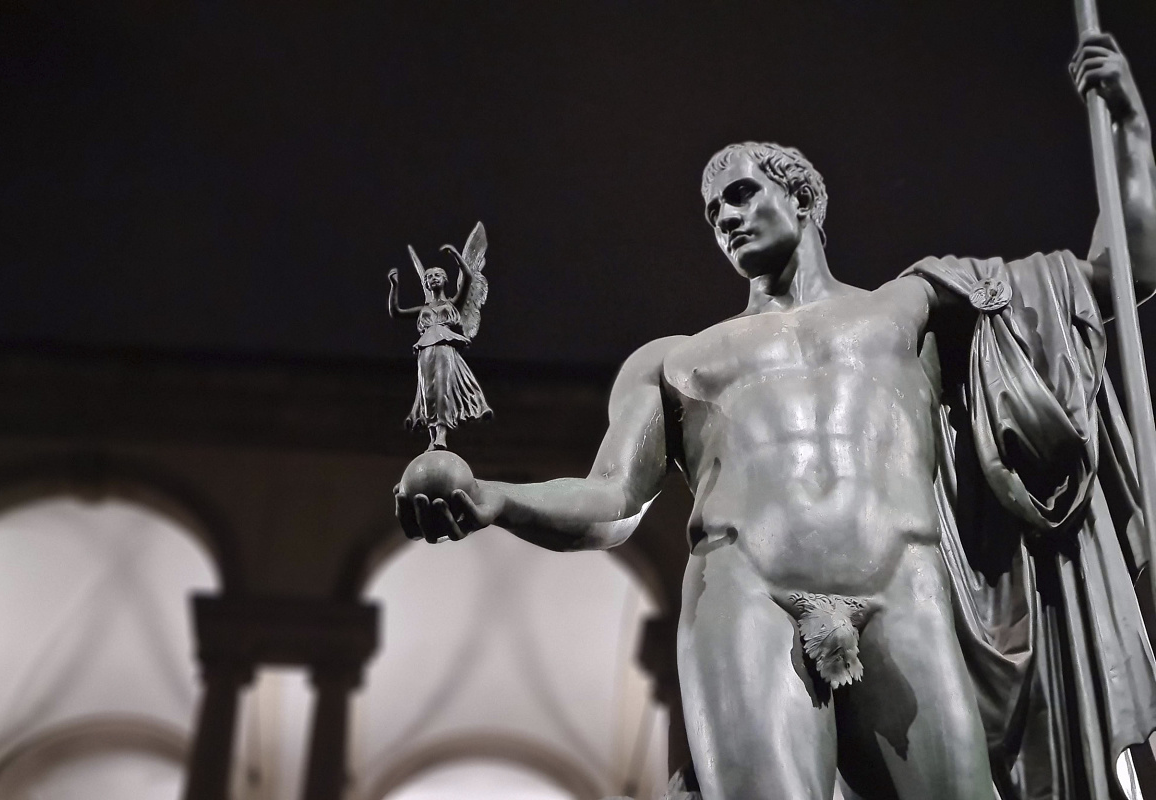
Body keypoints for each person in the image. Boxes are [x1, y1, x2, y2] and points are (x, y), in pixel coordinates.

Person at [396, 33, 1156, 799]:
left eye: (742, 193)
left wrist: (1130, 127)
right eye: (712, 211)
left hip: (904, 587)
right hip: (746, 590)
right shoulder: (676, 360)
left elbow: (1119, 275)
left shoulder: (913, 308)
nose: (725, 217)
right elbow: (607, 504)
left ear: (802, 197)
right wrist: (495, 497)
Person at [388, 233, 492, 451]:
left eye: (437, 275)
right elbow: (396, 312)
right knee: (428, 391)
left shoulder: (454, 302)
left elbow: (469, 277)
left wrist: (455, 254)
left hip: (445, 346)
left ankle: (442, 433)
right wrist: (394, 285)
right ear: (426, 283)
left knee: (443, 387)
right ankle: (432, 434)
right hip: (426, 347)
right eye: (429, 277)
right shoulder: (423, 309)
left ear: (445, 280)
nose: (433, 278)